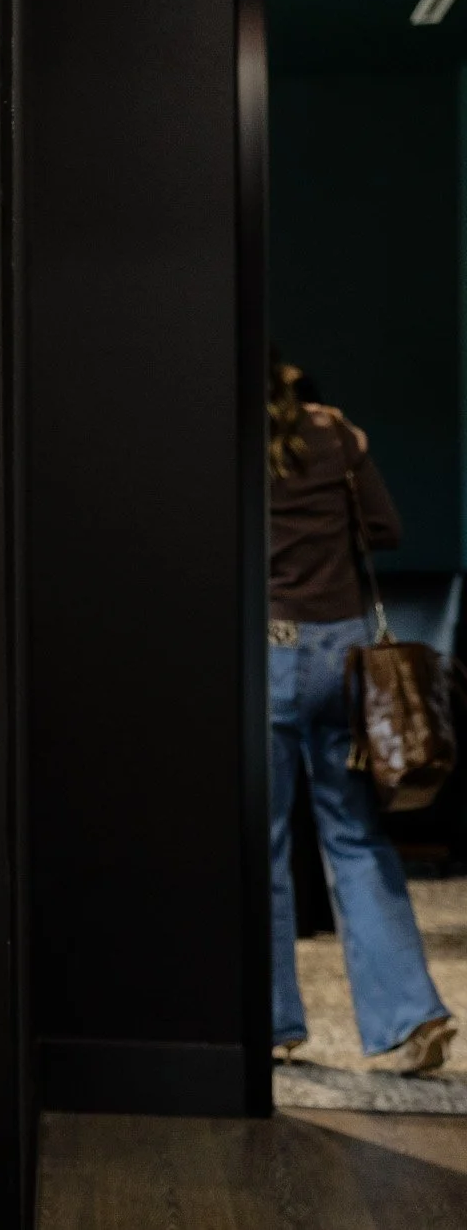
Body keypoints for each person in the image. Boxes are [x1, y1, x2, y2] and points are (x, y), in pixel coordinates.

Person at [266, 354, 454, 1073]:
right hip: (345, 657)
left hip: (272, 650)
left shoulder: (237, 445)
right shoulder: (339, 439)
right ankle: (411, 1017)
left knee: (268, 842)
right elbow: (384, 527)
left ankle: (274, 1024)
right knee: (356, 837)